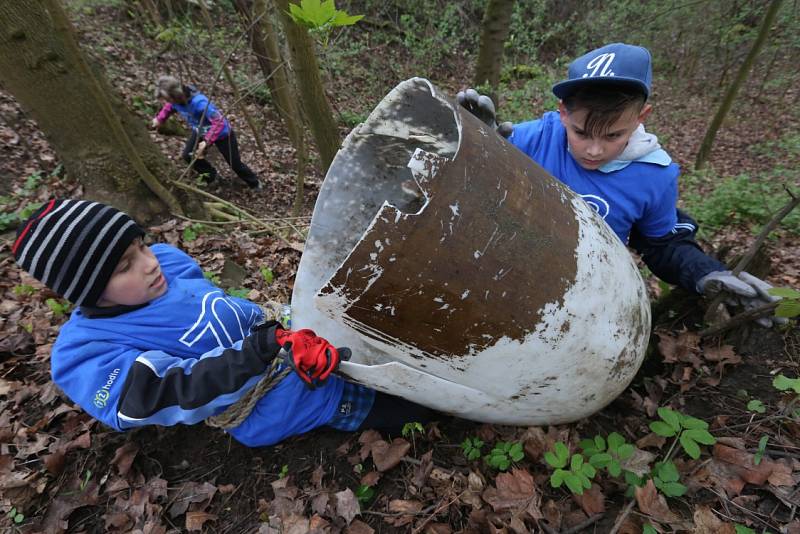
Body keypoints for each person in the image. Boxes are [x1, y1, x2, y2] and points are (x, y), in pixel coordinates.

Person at [12, 199, 433, 447]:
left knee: (404, 348)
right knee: (417, 406)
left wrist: (281, 332)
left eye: (140, 246)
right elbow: (163, 392)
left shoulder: (171, 264)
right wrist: (262, 349)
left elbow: (222, 305)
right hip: (284, 400)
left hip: (298, 340)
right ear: (86, 291)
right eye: (125, 266)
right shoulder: (87, 351)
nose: (150, 263)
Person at [458, 43, 782, 326]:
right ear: (563, 113)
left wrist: (705, 273)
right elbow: (471, 196)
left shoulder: (654, 175)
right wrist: (476, 148)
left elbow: (662, 245)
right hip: (499, 278)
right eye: (581, 133)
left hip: (579, 301)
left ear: (641, 117)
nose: (595, 150)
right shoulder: (535, 138)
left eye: (614, 135)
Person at [151, 75, 262, 190]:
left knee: (235, 164)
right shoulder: (175, 102)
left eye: (169, 99)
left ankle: (254, 182)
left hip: (222, 134)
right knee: (189, 155)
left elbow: (219, 122)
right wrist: (160, 119)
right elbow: (169, 107)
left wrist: (206, 142)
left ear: (176, 95)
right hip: (200, 131)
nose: (168, 102)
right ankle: (212, 176)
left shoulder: (199, 102)